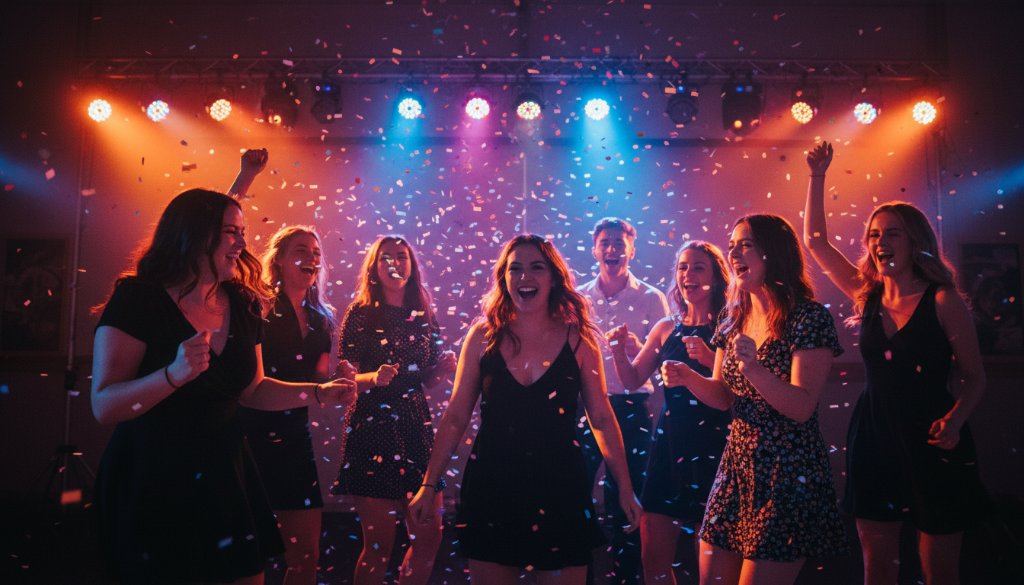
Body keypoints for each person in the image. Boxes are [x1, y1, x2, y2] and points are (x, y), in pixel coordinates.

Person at [91, 180, 357, 583]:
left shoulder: (243, 302)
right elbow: (105, 404)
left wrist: (318, 393)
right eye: (232, 232)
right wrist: (172, 376)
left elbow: (254, 389)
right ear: (194, 234)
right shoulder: (138, 298)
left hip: (224, 472)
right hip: (153, 476)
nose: (241, 244)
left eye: (243, 233)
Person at [802, 142, 989, 585]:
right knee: (877, 564)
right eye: (873, 235)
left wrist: (956, 420)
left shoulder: (942, 300)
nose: (879, 242)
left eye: (892, 233)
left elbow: (975, 377)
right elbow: (814, 242)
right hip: (874, 432)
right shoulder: (866, 295)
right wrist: (817, 175)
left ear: (915, 243)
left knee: (939, 570)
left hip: (932, 436)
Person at [408, 234, 643, 585]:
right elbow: (456, 416)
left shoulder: (579, 339)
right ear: (504, 278)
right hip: (493, 484)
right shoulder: (482, 336)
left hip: (561, 485)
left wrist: (624, 486)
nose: (524, 277)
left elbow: (602, 418)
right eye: (515, 269)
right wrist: (429, 484)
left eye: (536, 267)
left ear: (553, 277)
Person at [661, 214, 847, 585]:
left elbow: (801, 406)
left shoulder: (808, 318)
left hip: (787, 472)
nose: (734, 253)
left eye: (745, 244)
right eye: (732, 246)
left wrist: (754, 369)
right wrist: (688, 379)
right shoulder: (734, 316)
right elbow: (721, 397)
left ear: (773, 252)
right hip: (737, 467)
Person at [330, 235, 457, 585]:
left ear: (411, 266)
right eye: (386, 257)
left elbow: (425, 380)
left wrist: (440, 370)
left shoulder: (423, 313)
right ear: (374, 267)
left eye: (401, 257)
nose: (395, 263)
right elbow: (345, 379)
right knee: (379, 544)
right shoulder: (361, 313)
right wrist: (374, 377)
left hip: (415, 427)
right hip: (373, 428)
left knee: (430, 535)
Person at [605, 240, 731, 585]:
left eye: (698, 267)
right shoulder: (666, 327)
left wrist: (705, 360)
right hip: (670, 444)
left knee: (711, 563)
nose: (688, 274)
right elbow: (632, 380)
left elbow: (732, 395)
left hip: (715, 447)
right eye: (683, 267)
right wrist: (618, 352)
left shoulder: (730, 327)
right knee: (653, 560)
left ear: (718, 277)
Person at [237, 225, 346, 585]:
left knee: (305, 557)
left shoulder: (323, 319)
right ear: (279, 261)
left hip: (294, 441)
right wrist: (319, 391)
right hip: (248, 437)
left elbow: (317, 383)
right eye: (301, 251)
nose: (311, 258)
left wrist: (343, 381)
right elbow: (248, 385)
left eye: (316, 253)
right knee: (246, 557)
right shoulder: (259, 306)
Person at [576, 217, 670, 585]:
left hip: (631, 408)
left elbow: (664, 359)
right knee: (575, 493)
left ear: (632, 248)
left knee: (626, 499)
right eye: (606, 243)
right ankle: (576, 574)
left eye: (619, 243)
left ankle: (625, 578)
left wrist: (635, 351)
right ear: (595, 249)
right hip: (586, 406)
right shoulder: (580, 298)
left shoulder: (650, 297)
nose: (612, 249)